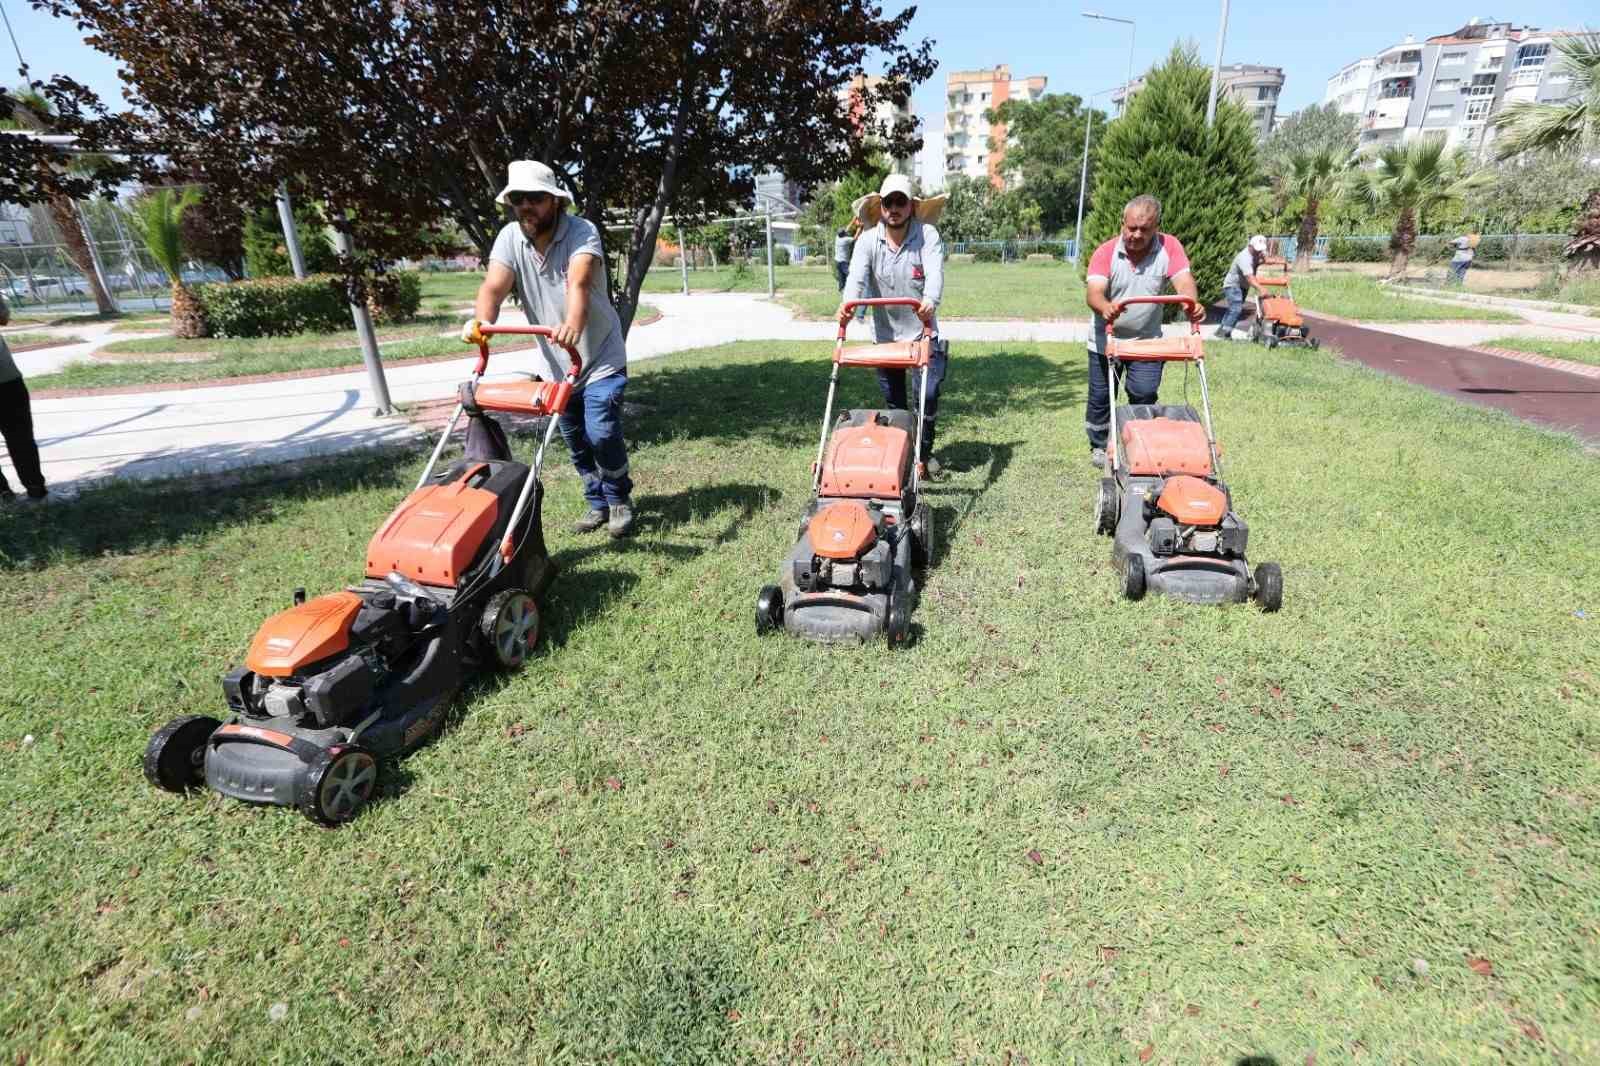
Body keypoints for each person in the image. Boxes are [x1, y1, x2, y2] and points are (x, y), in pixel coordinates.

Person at [463, 160, 635, 538]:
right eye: (518, 199)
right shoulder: (510, 238)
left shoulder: (581, 231)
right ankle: (597, 503)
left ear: (555, 201)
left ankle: (619, 497)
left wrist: (573, 324)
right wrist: (482, 326)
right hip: (555, 363)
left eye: (535, 198)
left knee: (602, 432)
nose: (527, 206)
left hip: (600, 355)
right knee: (575, 440)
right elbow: (494, 286)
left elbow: (579, 280)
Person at [837, 173, 948, 477]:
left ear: (911, 205)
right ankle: (902, 456)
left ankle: (923, 455)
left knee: (927, 397)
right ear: (881, 206)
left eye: (901, 201)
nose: (894, 208)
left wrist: (930, 299)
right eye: (889, 202)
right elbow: (856, 279)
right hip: (886, 337)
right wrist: (847, 306)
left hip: (923, 331)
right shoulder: (869, 241)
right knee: (896, 404)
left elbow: (935, 272)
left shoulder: (927, 235)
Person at [1082, 194, 1206, 469]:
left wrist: (1191, 304)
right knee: (1101, 397)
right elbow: (1094, 293)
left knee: (1144, 392)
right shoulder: (1106, 252)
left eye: (1144, 229)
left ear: (1156, 227)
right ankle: (1099, 445)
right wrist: (1105, 307)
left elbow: (1184, 281)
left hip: (1147, 342)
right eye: (1131, 228)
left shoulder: (1169, 247)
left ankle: (1138, 439)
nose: (1136, 234)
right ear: (1122, 224)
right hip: (1106, 340)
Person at [0, 291, 48, 505]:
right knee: (21, 438)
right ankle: (35, 488)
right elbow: (3, 318)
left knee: (21, 438)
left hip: (7, 380)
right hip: (7, 380)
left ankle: (5, 493)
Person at [1214, 234, 1268, 340]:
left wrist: (1262, 261)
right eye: (1257, 249)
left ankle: (1221, 331)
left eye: (1260, 250)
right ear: (1250, 246)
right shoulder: (1244, 257)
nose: (1259, 252)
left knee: (1232, 309)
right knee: (1236, 309)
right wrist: (1261, 288)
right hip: (1233, 285)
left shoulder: (1255, 255)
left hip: (1242, 286)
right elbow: (1250, 278)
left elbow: (1255, 266)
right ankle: (1226, 334)